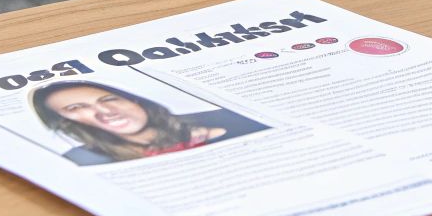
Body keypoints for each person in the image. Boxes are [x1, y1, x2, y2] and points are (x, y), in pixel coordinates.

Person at [30, 82, 265, 165]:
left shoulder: (233, 118)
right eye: (76, 108)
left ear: (135, 100)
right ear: (65, 123)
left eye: (109, 99)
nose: (106, 111)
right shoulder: (80, 161)